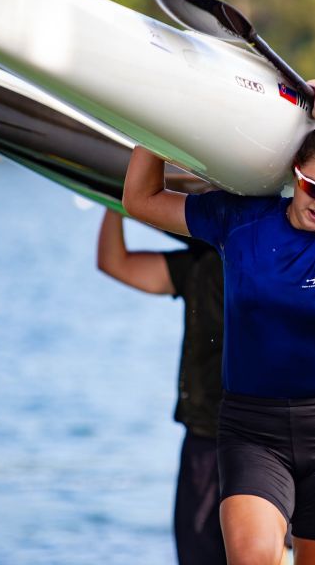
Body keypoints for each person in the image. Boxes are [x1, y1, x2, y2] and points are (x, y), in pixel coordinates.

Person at [122, 78, 315, 565]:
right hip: (254, 430)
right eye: (313, 187)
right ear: (295, 173)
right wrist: (158, 115)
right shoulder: (240, 221)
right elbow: (141, 199)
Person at [96, 208, 228, 565]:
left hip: (262, 437)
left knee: (261, 551)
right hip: (204, 438)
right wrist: (113, 198)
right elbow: (114, 262)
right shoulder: (199, 265)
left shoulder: (277, 257)